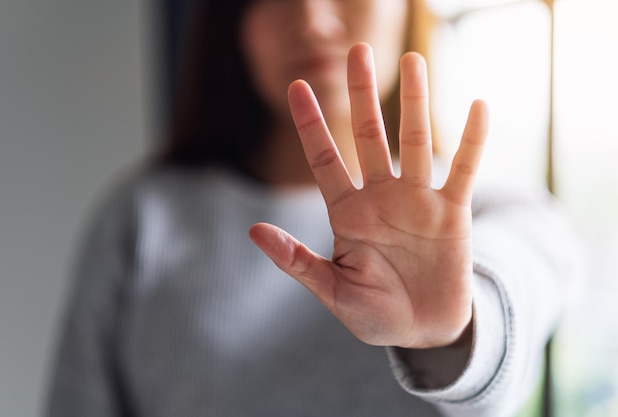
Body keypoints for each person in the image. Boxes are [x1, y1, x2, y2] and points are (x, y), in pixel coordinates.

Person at [45, 0, 579, 416]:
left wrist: (450, 332)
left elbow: (517, 301)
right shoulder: (142, 218)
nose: (311, 17)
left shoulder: (494, 209)